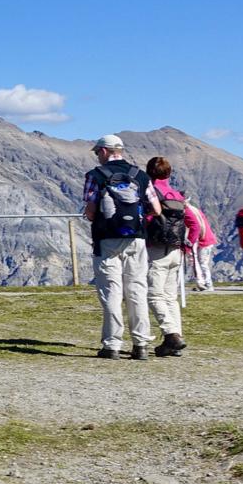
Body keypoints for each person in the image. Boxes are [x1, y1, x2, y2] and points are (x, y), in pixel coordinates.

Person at [82, 134, 160, 359]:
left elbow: (90, 211)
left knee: (111, 292)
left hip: (106, 240)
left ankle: (112, 345)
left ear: (105, 151)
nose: (98, 156)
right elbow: (155, 208)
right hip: (136, 238)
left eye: (98, 152)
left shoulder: (95, 176)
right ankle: (141, 344)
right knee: (137, 290)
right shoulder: (141, 176)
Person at [142, 157, 190, 356]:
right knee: (171, 297)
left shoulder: (151, 192)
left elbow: (147, 217)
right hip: (176, 250)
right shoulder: (177, 195)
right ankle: (173, 342)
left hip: (157, 249)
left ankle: (171, 335)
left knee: (154, 295)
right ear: (169, 174)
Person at [186, 197, 219, 293]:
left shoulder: (189, 212)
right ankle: (203, 283)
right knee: (200, 262)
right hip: (205, 239)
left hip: (204, 240)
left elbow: (195, 227)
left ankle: (208, 284)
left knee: (202, 263)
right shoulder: (195, 210)